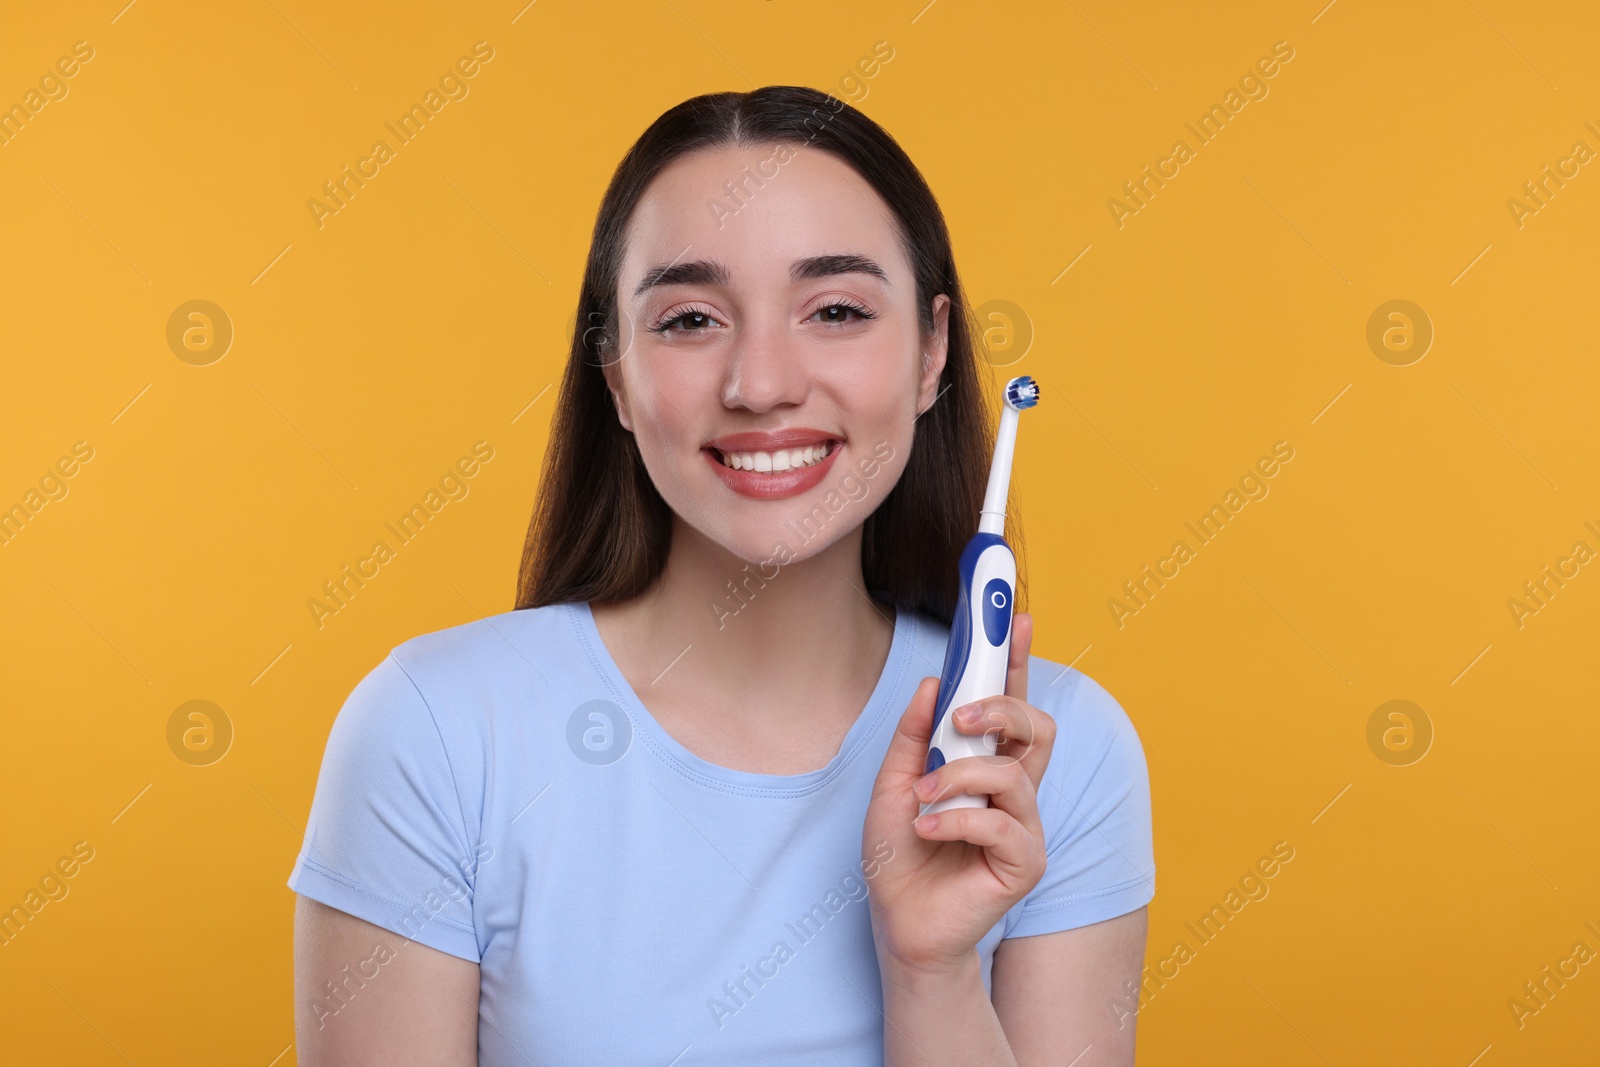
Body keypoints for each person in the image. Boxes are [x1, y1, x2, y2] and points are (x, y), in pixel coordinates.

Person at [290, 84, 1154, 1066]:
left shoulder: (1056, 758)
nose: (760, 383)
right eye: (691, 320)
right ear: (613, 374)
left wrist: (933, 969)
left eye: (834, 309)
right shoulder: (435, 732)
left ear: (931, 352)